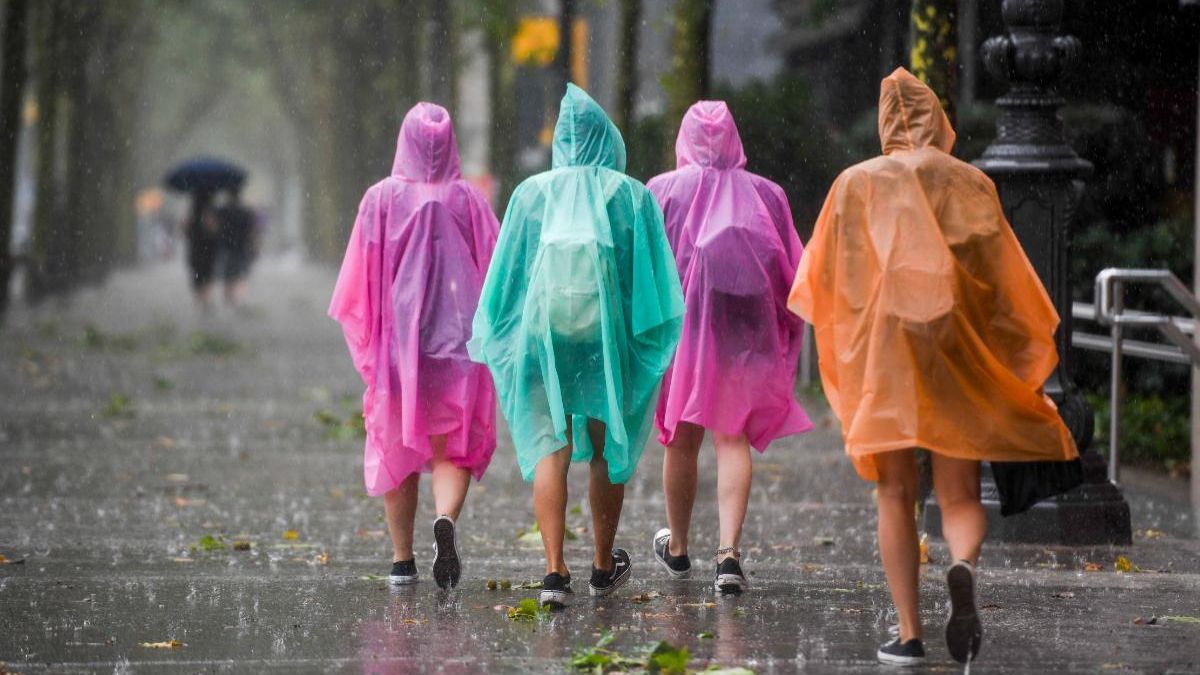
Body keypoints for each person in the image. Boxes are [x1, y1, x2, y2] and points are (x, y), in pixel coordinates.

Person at [789, 68, 1078, 667]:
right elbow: (1004, 281)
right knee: (959, 489)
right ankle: (963, 564)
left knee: (894, 491)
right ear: (936, 118)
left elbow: (822, 281)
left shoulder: (854, 184)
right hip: (955, 344)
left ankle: (909, 635)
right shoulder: (968, 182)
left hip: (883, 351)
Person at [470, 84, 684, 609]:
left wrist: (503, 335)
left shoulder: (530, 194)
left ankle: (552, 571)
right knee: (606, 444)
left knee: (552, 446)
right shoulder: (629, 194)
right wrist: (644, 346)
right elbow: (651, 283)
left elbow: (507, 280)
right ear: (606, 139)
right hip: (604, 341)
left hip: (545, 338)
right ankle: (601, 564)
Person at [329, 102, 498, 589]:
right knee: (453, 446)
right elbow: (496, 269)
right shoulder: (469, 201)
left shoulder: (380, 200)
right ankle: (444, 518)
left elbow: (357, 284)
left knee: (401, 443)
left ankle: (402, 561)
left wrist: (371, 346)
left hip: (400, 349)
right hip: (459, 347)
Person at [646, 101, 813, 594]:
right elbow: (792, 270)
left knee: (681, 436)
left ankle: (677, 548)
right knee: (732, 439)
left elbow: (647, 265)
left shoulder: (661, 191)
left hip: (686, 332)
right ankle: (728, 556)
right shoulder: (767, 194)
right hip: (746, 333)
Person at [215, 186, 259, 309]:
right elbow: (251, 230)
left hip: (226, 245)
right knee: (240, 271)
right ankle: (237, 297)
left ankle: (228, 295)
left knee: (227, 271)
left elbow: (215, 226)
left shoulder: (222, 210)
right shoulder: (245, 212)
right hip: (241, 246)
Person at [183, 190, 219, 310]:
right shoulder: (211, 213)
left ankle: (199, 300)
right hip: (208, 250)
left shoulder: (192, 215)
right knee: (207, 274)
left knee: (198, 274)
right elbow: (214, 232)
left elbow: (186, 232)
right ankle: (205, 300)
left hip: (195, 249)